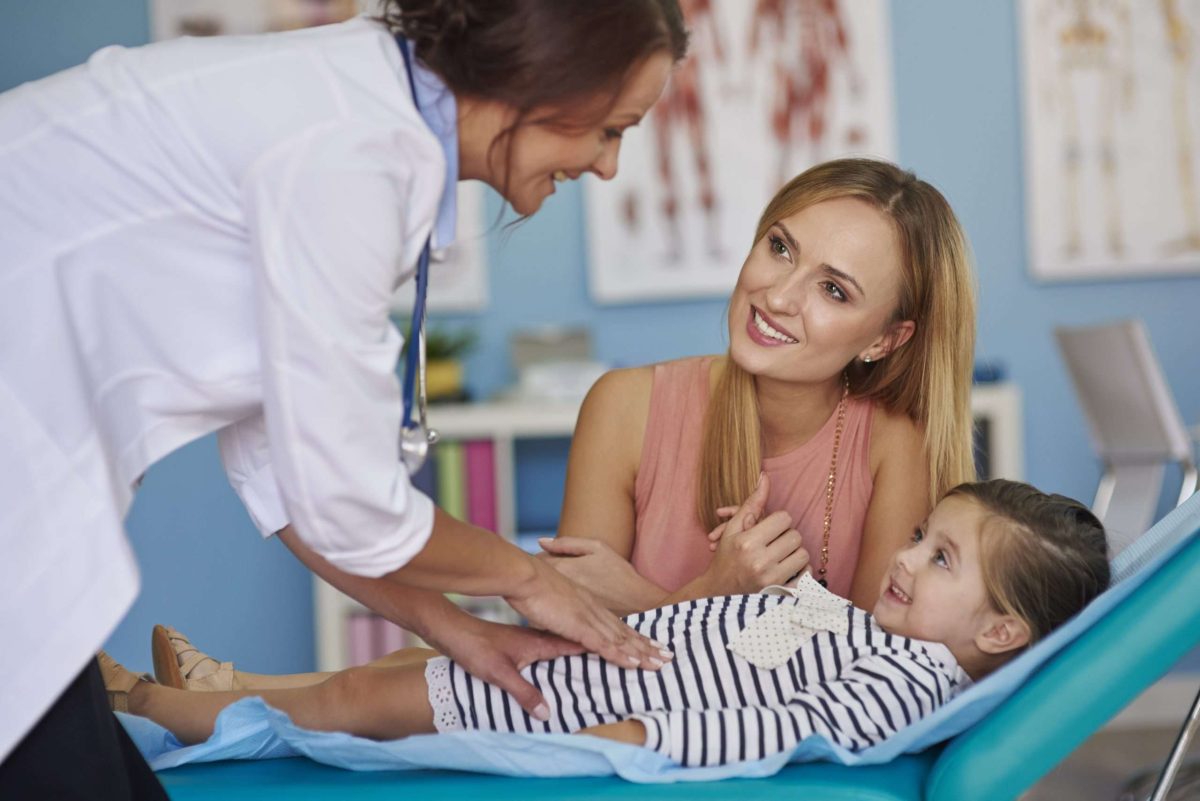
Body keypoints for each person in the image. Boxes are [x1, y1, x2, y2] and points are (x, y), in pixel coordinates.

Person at [0, 1, 687, 795]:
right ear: (544, 78)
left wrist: (458, 629)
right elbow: (345, 500)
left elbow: (287, 474)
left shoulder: (361, 117)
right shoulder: (354, 149)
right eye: (613, 129)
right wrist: (525, 578)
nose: (608, 167)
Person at [99, 479, 1111, 768]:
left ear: (1003, 632)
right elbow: (729, 642)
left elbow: (785, 727)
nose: (904, 557)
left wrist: (627, 739)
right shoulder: (870, 634)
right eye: (923, 535)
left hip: (576, 709)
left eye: (941, 561)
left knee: (360, 697)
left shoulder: (905, 683)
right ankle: (227, 684)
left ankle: (144, 703)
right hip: (595, 673)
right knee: (391, 676)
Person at [540, 157, 978, 614]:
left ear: (883, 340)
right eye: (781, 248)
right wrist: (714, 593)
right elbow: (573, 653)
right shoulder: (623, 407)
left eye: (834, 290)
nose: (778, 297)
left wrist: (669, 601)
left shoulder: (897, 444)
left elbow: (874, 668)